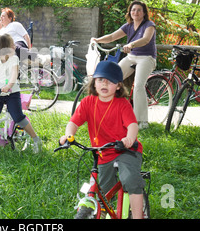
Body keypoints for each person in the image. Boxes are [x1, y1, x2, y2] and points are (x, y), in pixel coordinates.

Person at [59, 60, 145, 218]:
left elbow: (132, 125)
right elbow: (73, 122)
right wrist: (68, 135)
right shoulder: (87, 103)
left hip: (125, 149)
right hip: (103, 153)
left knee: (130, 179)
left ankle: (139, 215)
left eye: (110, 81)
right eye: (100, 80)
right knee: (104, 192)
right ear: (94, 82)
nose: (104, 84)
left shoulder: (122, 104)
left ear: (118, 85)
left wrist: (129, 138)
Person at [91, 0, 156, 129]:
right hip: (131, 57)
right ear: (129, 12)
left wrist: (132, 44)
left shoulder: (149, 25)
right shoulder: (128, 26)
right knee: (112, 78)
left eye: (138, 10)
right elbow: (111, 37)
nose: (135, 12)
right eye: (133, 10)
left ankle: (142, 121)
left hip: (146, 58)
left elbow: (146, 39)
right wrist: (97, 40)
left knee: (138, 85)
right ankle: (108, 112)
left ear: (144, 13)